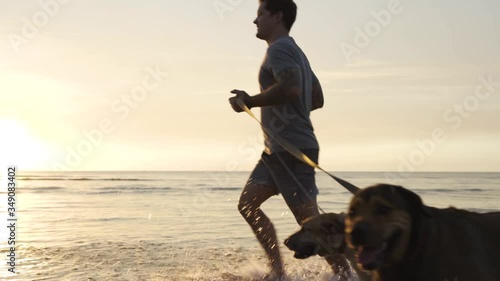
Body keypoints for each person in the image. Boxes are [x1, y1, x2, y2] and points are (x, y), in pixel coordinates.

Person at [228, 0, 351, 280]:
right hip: (276, 151)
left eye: (260, 14)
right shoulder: (297, 52)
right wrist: (288, 112)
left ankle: (346, 276)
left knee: (309, 223)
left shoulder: (280, 49)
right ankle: (278, 272)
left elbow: (293, 88)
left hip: (292, 150)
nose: (255, 20)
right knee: (248, 204)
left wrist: (250, 100)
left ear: (277, 16)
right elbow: (316, 98)